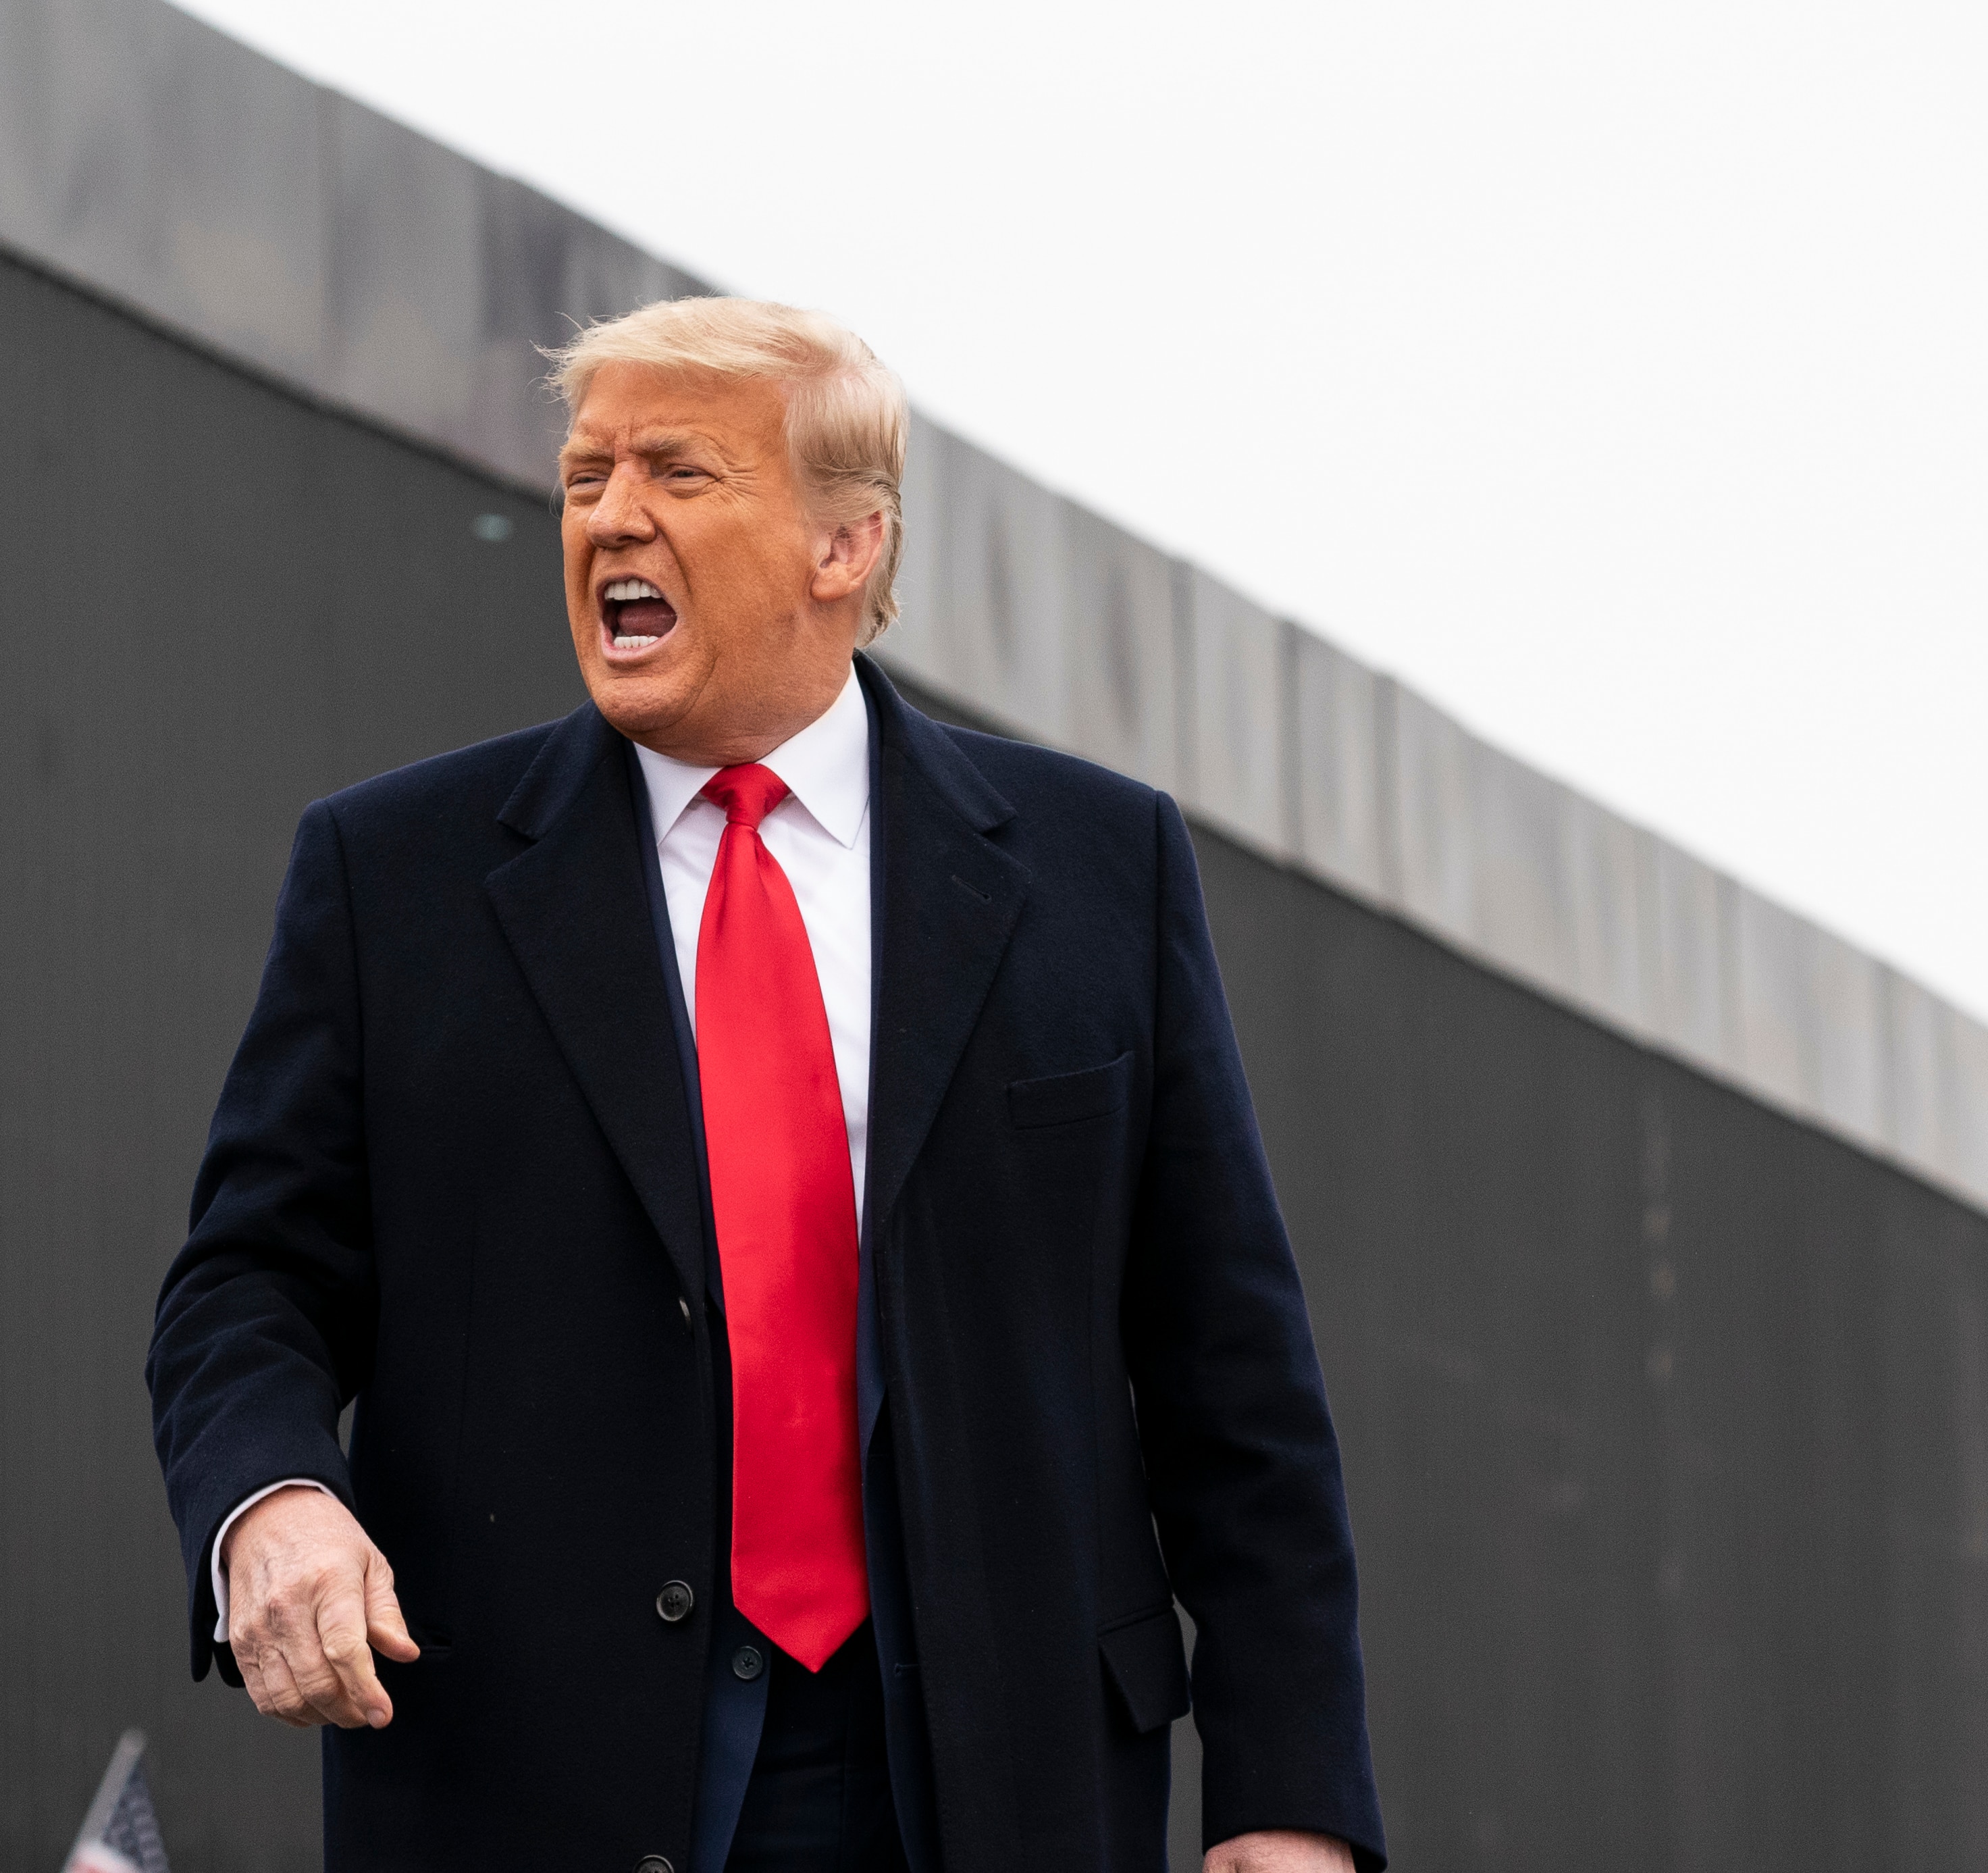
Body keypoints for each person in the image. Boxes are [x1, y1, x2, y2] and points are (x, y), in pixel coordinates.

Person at [145, 299, 1382, 1873]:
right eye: (587, 475)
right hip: (533, 1777)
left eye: (679, 469)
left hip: (1001, 1780)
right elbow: (247, 1282)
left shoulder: (1098, 869)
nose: (611, 517)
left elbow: (1234, 1376)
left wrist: (1292, 1805)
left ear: (844, 546)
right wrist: (271, 1500)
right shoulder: (393, 877)